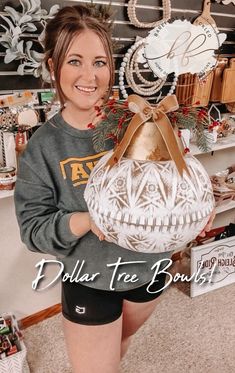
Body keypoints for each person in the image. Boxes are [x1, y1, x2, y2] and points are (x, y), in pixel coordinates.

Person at [14, 4, 214, 373]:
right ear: (53, 66)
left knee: (117, 345)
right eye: (74, 60)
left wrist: (195, 214)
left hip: (153, 270)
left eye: (99, 62)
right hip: (91, 280)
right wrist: (89, 221)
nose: (89, 75)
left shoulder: (138, 122)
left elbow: (176, 180)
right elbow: (33, 231)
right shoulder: (43, 147)